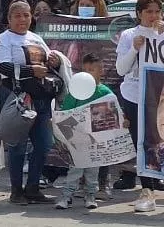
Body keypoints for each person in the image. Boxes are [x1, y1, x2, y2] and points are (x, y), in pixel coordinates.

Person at [115, 0, 164, 215]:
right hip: (135, 96)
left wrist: (162, 39)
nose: (153, 16)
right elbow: (121, 69)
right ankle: (147, 191)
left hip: (163, 98)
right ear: (139, 14)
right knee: (143, 144)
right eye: (148, 12)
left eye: (157, 11)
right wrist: (134, 49)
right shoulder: (130, 35)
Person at [0, 0, 61, 206]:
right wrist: (30, 71)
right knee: (17, 145)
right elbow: (2, 67)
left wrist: (54, 61)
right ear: (9, 19)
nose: (22, 19)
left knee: (43, 144)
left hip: (41, 98)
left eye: (26, 15)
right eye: (17, 15)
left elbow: (49, 61)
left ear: (31, 17)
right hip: (18, 98)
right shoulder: (4, 39)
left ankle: (33, 187)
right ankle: (16, 191)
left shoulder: (36, 38)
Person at [54, 53, 112, 210]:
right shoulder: (75, 91)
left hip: (95, 139)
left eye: (92, 69)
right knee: (75, 169)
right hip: (77, 138)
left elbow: (114, 113)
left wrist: (124, 120)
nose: (88, 73)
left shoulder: (105, 92)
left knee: (93, 170)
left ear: (101, 71)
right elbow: (66, 112)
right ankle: (67, 197)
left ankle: (91, 196)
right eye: (85, 70)